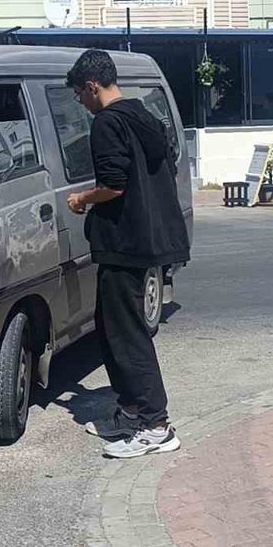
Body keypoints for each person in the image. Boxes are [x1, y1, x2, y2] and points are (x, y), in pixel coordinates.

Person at [65, 49, 190, 459]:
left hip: (124, 244)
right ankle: (133, 410)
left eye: (80, 95)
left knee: (127, 335)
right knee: (111, 327)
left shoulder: (107, 123)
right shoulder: (143, 115)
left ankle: (155, 426)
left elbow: (114, 185)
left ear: (92, 86)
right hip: (147, 239)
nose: (81, 103)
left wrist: (82, 199)